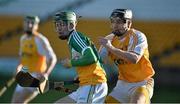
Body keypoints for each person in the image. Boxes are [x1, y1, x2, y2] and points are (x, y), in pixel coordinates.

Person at [99, 9, 155, 104]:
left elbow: (134, 58)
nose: (115, 25)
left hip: (142, 83)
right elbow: (98, 60)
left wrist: (111, 48)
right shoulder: (109, 39)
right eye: (112, 21)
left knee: (137, 101)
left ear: (129, 23)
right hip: (122, 85)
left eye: (119, 22)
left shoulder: (138, 36)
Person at [53, 11, 108, 103]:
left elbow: (92, 58)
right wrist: (81, 74)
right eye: (57, 25)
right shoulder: (72, 39)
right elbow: (98, 60)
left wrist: (70, 63)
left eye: (62, 24)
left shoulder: (75, 37)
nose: (59, 28)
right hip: (86, 83)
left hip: (93, 83)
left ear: (71, 25)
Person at [11, 15, 57, 103]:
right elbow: (22, 56)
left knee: (19, 102)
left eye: (33, 23)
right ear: (24, 24)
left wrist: (46, 73)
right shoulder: (23, 39)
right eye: (28, 22)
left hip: (36, 77)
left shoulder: (40, 40)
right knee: (14, 102)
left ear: (37, 26)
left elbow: (53, 58)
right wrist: (17, 67)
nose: (30, 25)